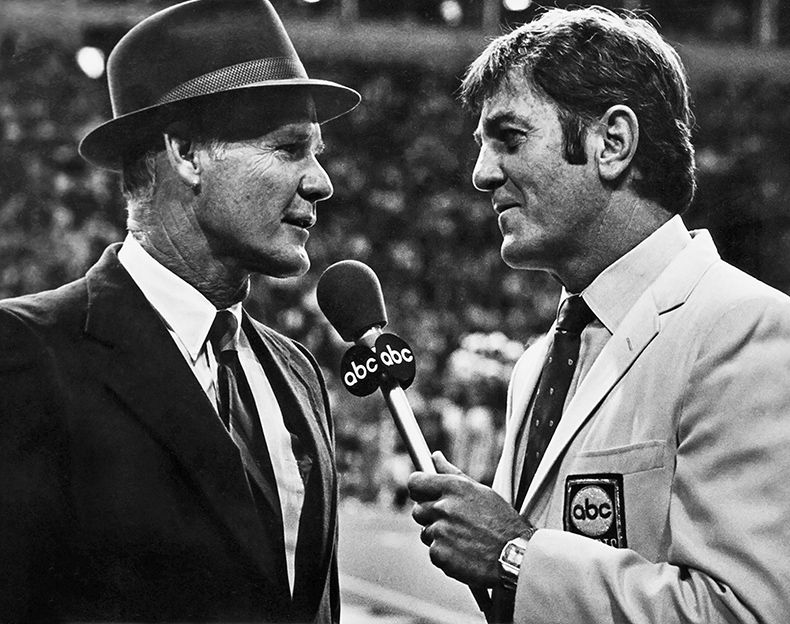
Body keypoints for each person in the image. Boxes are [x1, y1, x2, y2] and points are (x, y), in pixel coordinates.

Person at [408, 7, 790, 623]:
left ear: (612, 143)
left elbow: (745, 613)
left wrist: (512, 554)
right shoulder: (539, 364)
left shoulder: (746, 329)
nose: (481, 174)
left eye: (508, 137)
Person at [0, 0, 359, 622]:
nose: (321, 181)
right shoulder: (28, 351)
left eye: (317, 151)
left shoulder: (297, 372)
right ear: (187, 153)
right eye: (289, 148)